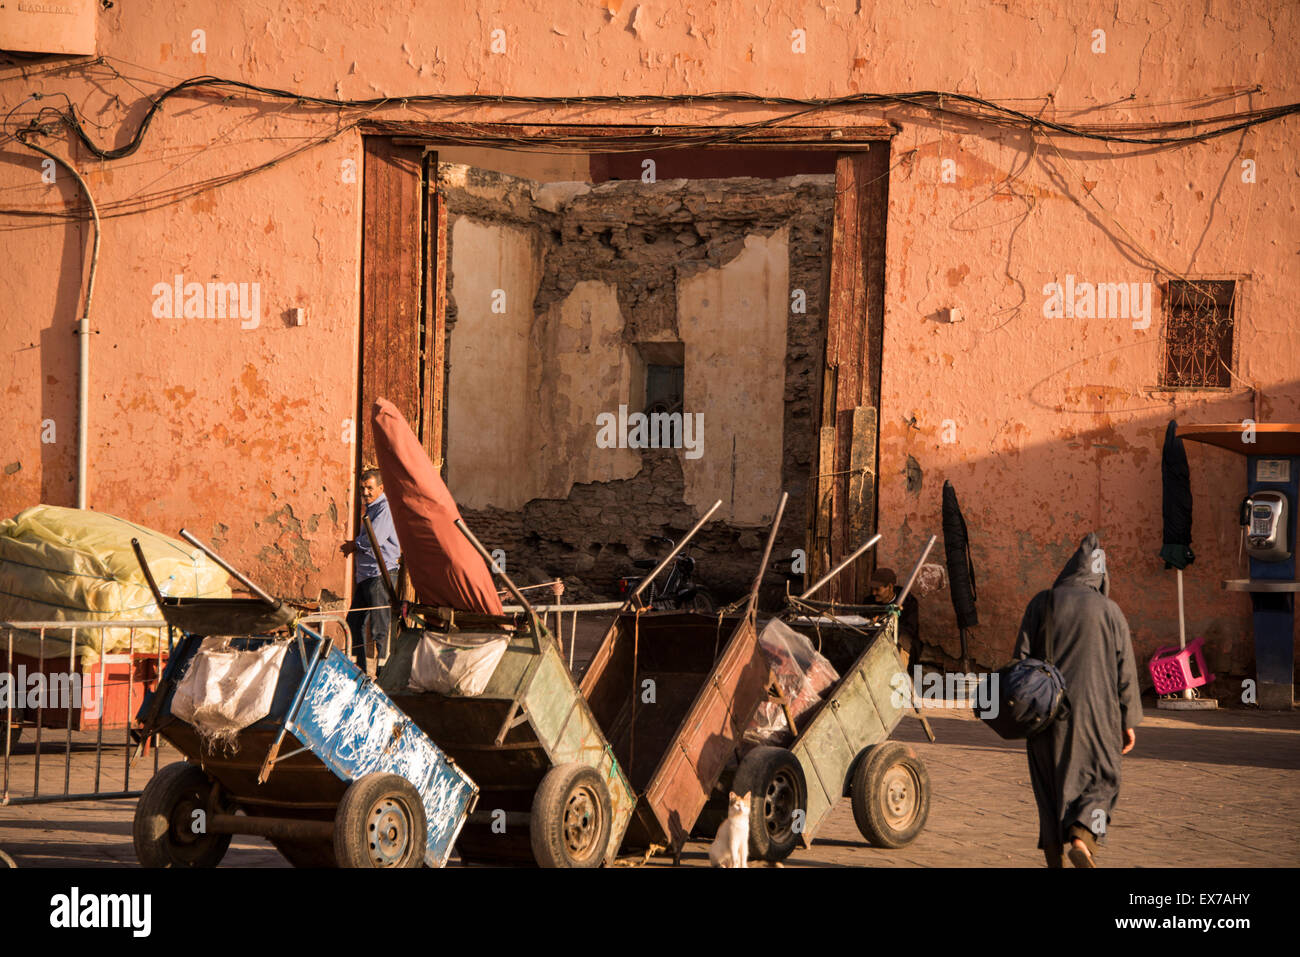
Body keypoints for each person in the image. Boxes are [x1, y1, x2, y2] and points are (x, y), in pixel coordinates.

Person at [1014, 532, 1142, 868]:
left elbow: (1021, 660)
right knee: (1104, 781)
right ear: (1100, 574)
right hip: (1098, 719)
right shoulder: (1111, 612)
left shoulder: (1041, 602)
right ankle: (1083, 838)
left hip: (1045, 715)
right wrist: (1127, 722)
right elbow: (1124, 672)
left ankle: (1054, 853)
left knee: (1050, 787)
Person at [341, 469, 401, 672]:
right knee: (354, 621)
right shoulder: (371, 509)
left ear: (381, 488)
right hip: (366, 575)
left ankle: (383, 674)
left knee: (379, 627)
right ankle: (359, 668)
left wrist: (354, 545)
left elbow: (373, 540)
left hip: (380, 574)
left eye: (369, 488)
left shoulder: (384, 509)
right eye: (362, 488)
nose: (365, 492)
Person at [869, 567, 920, 668]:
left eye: (877, 589)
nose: (873, 593)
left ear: (890, 587)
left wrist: (885, 624)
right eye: (872, 589)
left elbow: (909, 630)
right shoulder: (869, 601)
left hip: (901, 643)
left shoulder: (908, 602)